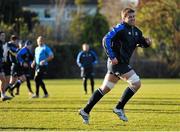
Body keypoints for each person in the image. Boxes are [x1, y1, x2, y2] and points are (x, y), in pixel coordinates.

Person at [79, 8, 152, 124]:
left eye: (134, 16)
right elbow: (106, 39)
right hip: (117, 64)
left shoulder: (137, 31)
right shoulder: (120, 28)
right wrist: (112, 56)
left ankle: (85, 110)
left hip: (121, 64)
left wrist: (147, 43)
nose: (133, 18)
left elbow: (141, 42)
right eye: (130, 17)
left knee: (105, 88)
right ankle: (119, 107)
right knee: (136, 83)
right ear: (124, 18)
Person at [0, 31, 11, 101]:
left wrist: (3, 58)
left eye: (4, 35)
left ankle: (3, 95)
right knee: (3, 80)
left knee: (3, 80)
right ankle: (3, 95)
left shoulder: (2, 44)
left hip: (0, 64)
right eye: (2, 36)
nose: (3, 37)